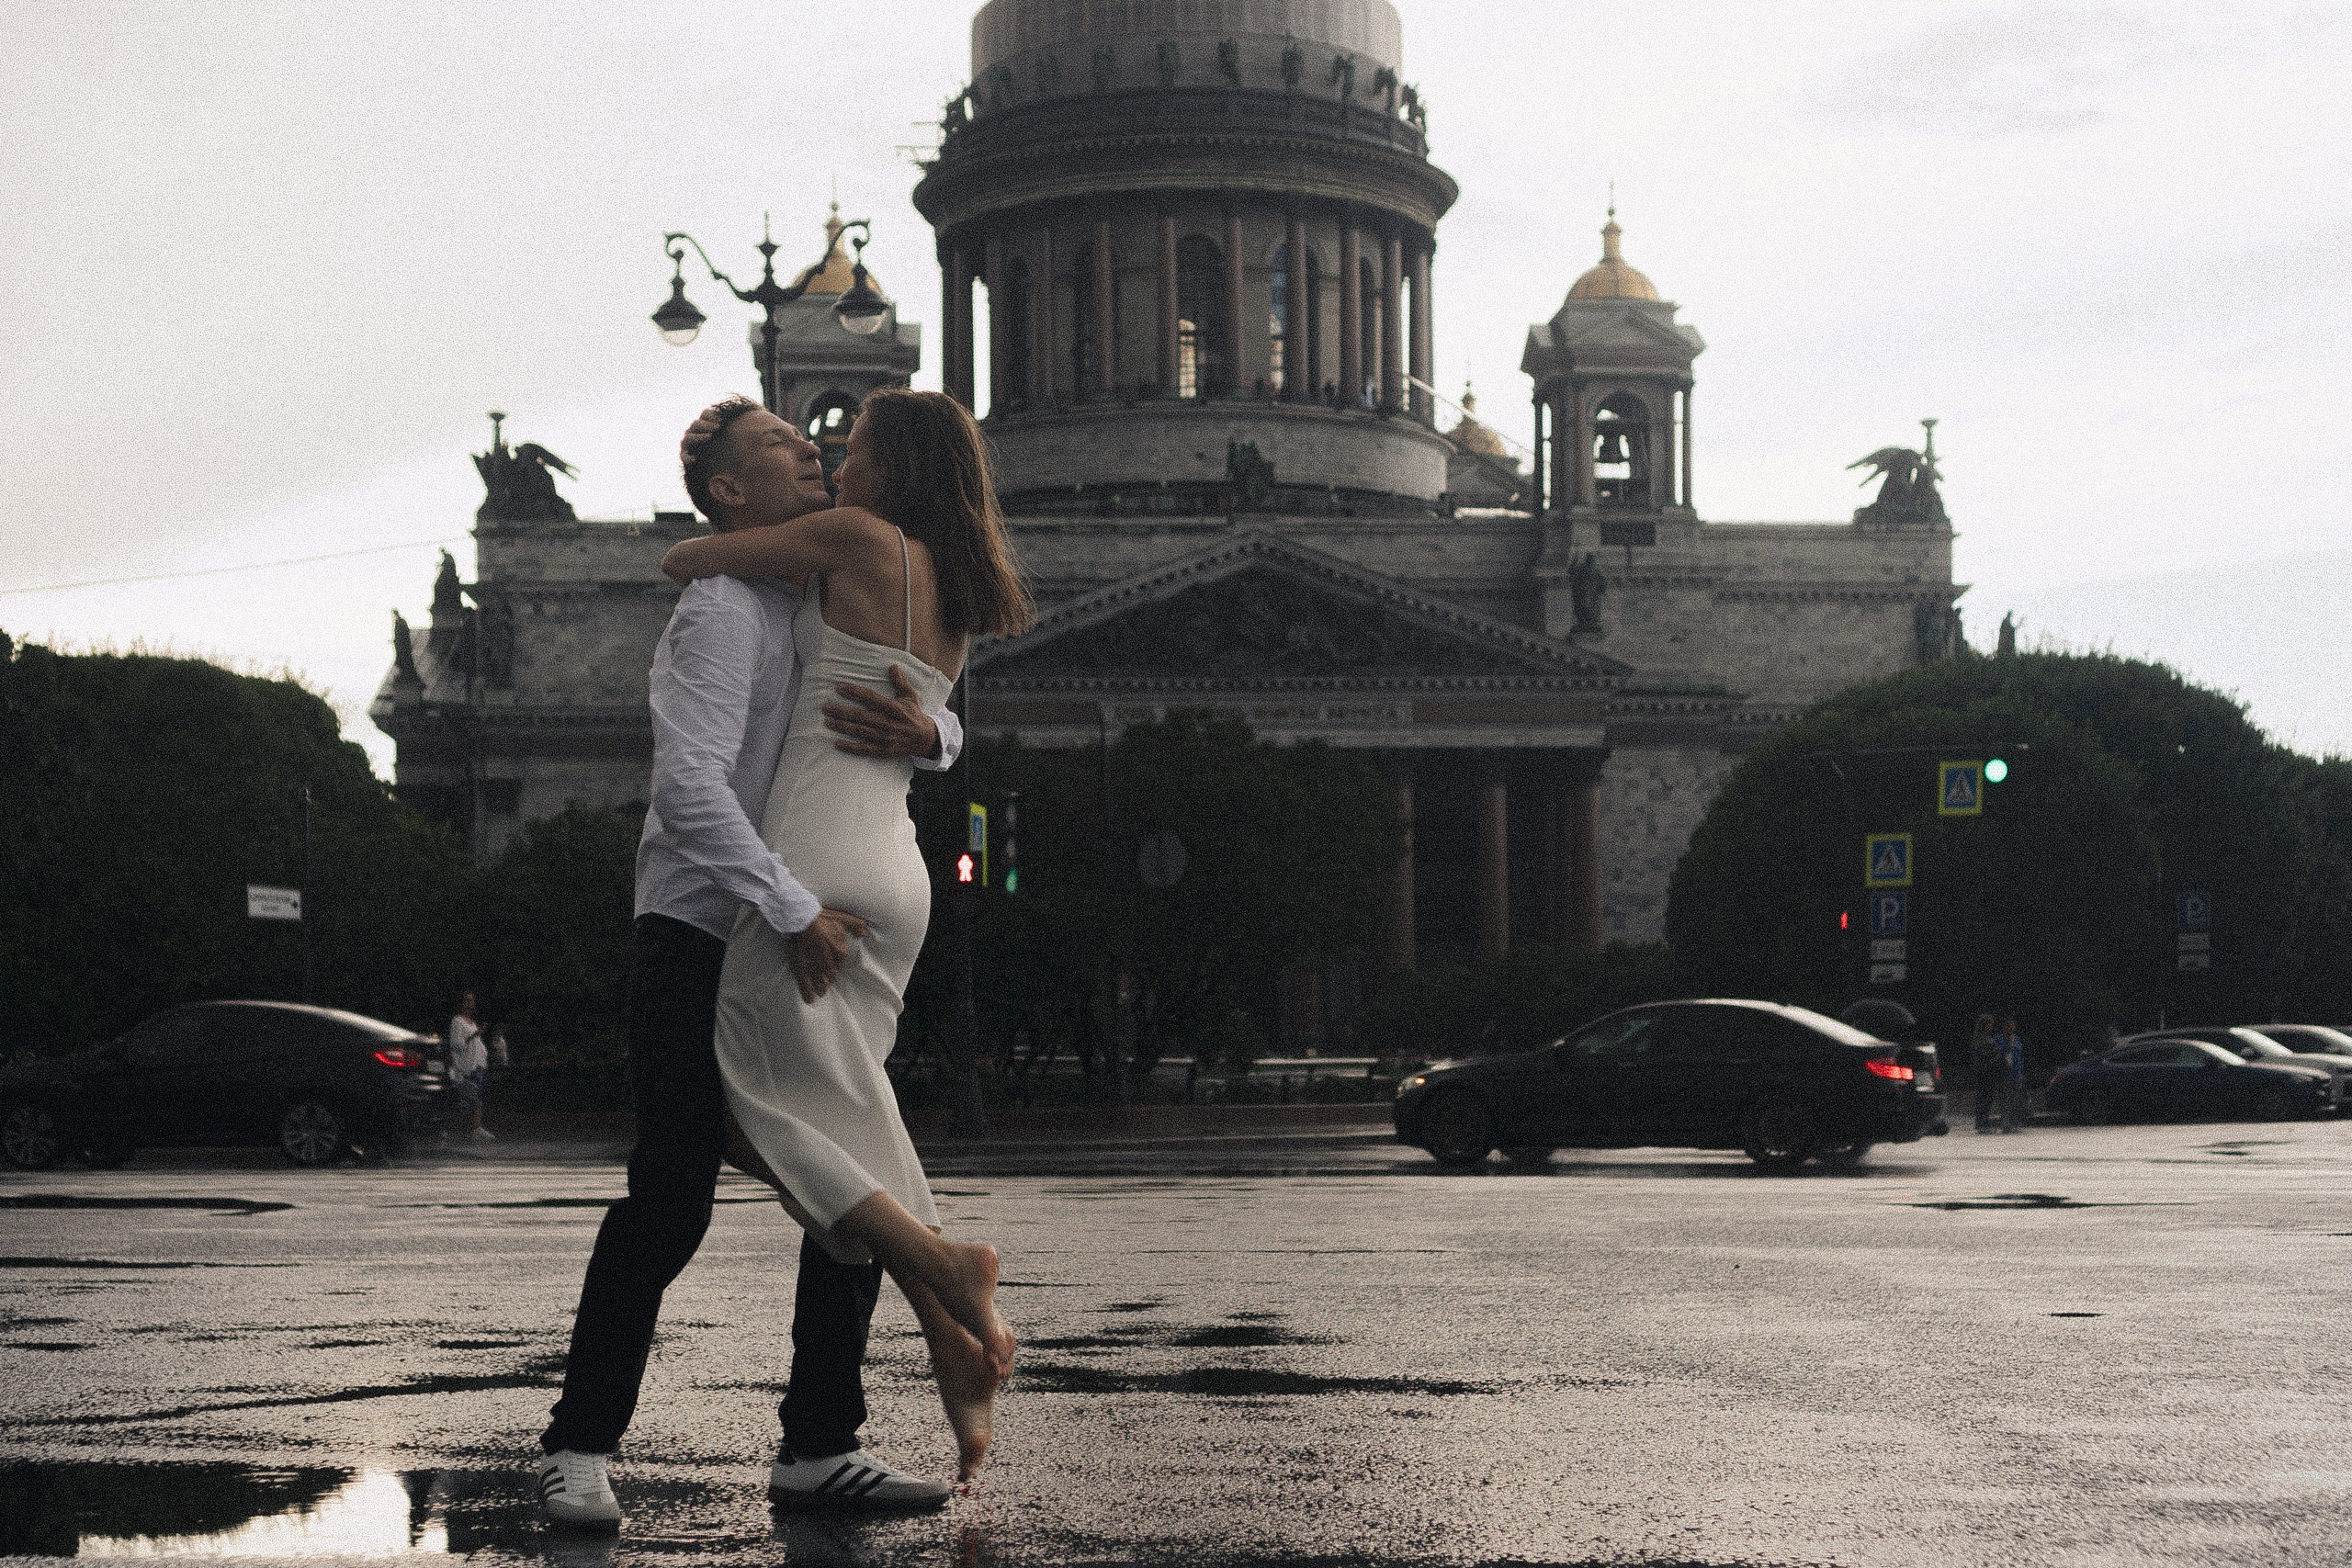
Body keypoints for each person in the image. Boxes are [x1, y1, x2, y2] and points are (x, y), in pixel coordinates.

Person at [536, 396, 971, 1532]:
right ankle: (578, 1445)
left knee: (843, 1160)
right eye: (780, 444)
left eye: (813, 437)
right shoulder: (725, 606)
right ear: (731, 491)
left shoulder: (820, 584)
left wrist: (938, 733)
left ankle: (820, 1449)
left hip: (788, 912)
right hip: (703, 922)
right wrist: (788, 907)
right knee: (670, 1196)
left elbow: (914, 681)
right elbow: (687, 793)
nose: (811, 446)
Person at [658, 387, 1028, 1500]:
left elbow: (691, 558)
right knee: (849, 1115)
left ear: (896, 465)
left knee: (741, 1106)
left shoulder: (854, 539)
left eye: (851, 445)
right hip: (896, 874)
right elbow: (930, 719)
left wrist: (730, 505)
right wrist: (939, 729)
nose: (832, 456)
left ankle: (941, 1266)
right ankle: (953, 1346)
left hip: (815, 865)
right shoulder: (961, 586)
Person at [447, 991, 492, 1142]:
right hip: (466, 1068)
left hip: (477, 1065)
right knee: (469, 1099)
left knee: (475, 1098)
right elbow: (456, 1044)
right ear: (461, 1002)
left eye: (472, 1000)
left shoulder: (472, 1022)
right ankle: (460, 1129)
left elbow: (475, 1043)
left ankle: (473, 1128)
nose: (470, 1003)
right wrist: (476, 1034)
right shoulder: (457, 1022)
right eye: (467, 1000)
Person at [1968, 1013, 2001, 1134]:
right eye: (1990, 1024)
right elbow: (1987, 1055)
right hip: (1985, 1073)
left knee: (1984, 1098)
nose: (1991, 1027)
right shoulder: (1982, 1039)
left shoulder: (1979, 1038)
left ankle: (1982, 1122)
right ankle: (1982, 1124)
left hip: (1982, 1072)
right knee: (1985, 1099)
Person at [1995, 1015, 2028, 1134]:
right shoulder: (1999, 1039)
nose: (2012, 1028)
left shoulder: (2017, 1039)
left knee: (2016, 1100)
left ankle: (2015, 1123)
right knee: (2005, 1100)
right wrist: (2009, 1043)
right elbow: (2001, 1053)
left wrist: (2022, 1072)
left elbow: (2020, 1056)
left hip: (2017, 1074)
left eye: (2013, 1025)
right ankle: (2006, 1124)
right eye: (2009, 1025)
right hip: (2005, 1074)